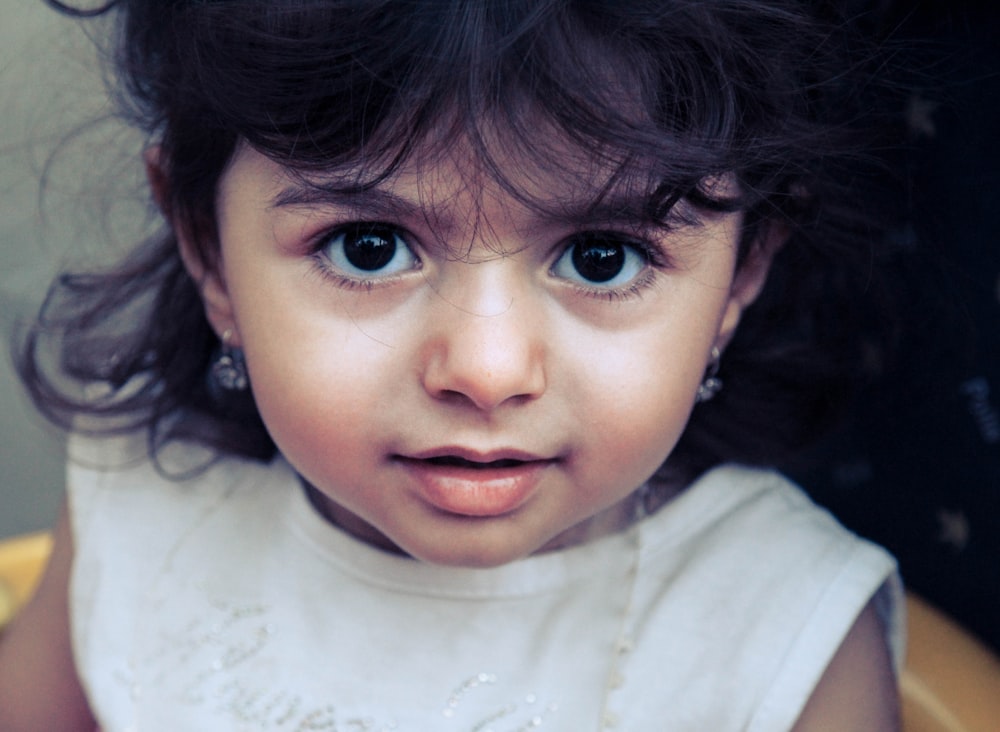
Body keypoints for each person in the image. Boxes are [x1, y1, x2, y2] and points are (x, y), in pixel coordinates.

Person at [0, 0, 906, 729]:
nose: (486, 369)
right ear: (207, 245)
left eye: (602, 257)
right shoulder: (145, 505)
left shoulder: (788, 639)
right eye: (367, 247)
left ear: (740, 275)